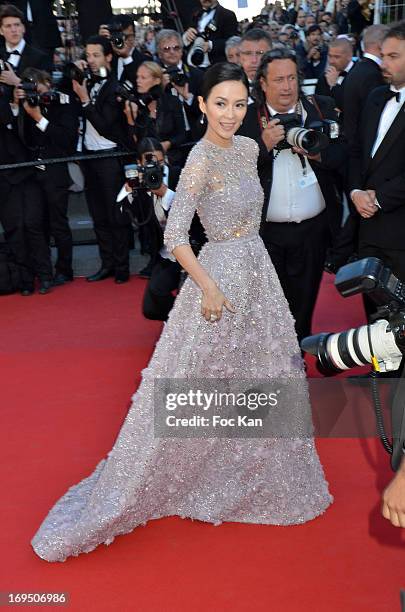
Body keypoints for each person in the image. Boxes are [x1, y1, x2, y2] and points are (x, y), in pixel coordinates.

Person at [31, 62, 332, 563]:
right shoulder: (198, 160)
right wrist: (209, 288)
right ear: (201, 104)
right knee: (202, 380)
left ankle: (248, 467)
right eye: (220, 104)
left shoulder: (249, 147)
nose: (230, 115)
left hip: (257, 272)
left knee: (260, 374)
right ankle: (186, 470)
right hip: (214, 279)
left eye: (239, 104)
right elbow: (174, 236)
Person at [239, 48, 346, 342]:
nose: (286, 87)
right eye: (278, 80)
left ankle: (296, 363)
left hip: (314, 231)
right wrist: (262, 146)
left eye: (291, 78)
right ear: (262, 83)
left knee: (304, 306)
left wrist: (318, 153)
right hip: (265, 234)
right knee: (268, 309)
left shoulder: (320, 109)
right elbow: (228, 176)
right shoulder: (247, 120)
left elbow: (346, 158)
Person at [72, 35, 132, 284]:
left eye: (96, 55)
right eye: (88, 55)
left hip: (110, 157)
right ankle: (106, 263)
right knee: (97, 213)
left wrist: (85, 99)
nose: (91, 60)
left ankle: (121, 266)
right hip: (89, 157)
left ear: (109, 56)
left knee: (114, 214)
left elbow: (106, 125)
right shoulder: (86, 81)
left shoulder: (115, 87)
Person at [348, 21, 405, 285]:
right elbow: (357, 151)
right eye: (383, 55)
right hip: (368, 232)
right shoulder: (375, 96)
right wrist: (355, 191)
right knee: (373, 321)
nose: (384, 63)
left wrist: (378, 198)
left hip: (400, 233)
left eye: (393, 57)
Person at [14, 67, 79, 287]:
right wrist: (21, 109)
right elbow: (24, 139)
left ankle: (64, 269)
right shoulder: (28, 106)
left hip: (56, 173)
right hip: (33, 174)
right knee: (36, 224)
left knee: (58, 223)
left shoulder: (64, 102)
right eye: (28, 85)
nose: (34, 89)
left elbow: (66, 139)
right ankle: (43, 271)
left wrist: (39, 117)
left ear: (47, 82)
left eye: (36, 83)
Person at [124, 61, 186, 167]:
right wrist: (130, 118)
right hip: (147, 165)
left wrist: (168, 144)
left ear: (156, 80)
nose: (138, 81)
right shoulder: (134, 105)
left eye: (143, 78)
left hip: (172, 162)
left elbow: (181, 134)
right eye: (137, 77)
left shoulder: (172, 102)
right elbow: (132, 145)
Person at [0, 3, 51, 91]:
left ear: (23, 28)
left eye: (17, 25)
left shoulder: (40, 57)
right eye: (8, 26)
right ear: (1, 31)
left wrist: (17, 81)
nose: (13, 30)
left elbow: (45, 90)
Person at [182, 0, 238, 69]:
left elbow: (232, 41)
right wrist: (187, 35)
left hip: (214, 66)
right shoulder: (195, 14)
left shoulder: (227, 15)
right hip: (192, 66)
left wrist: (211, 45)